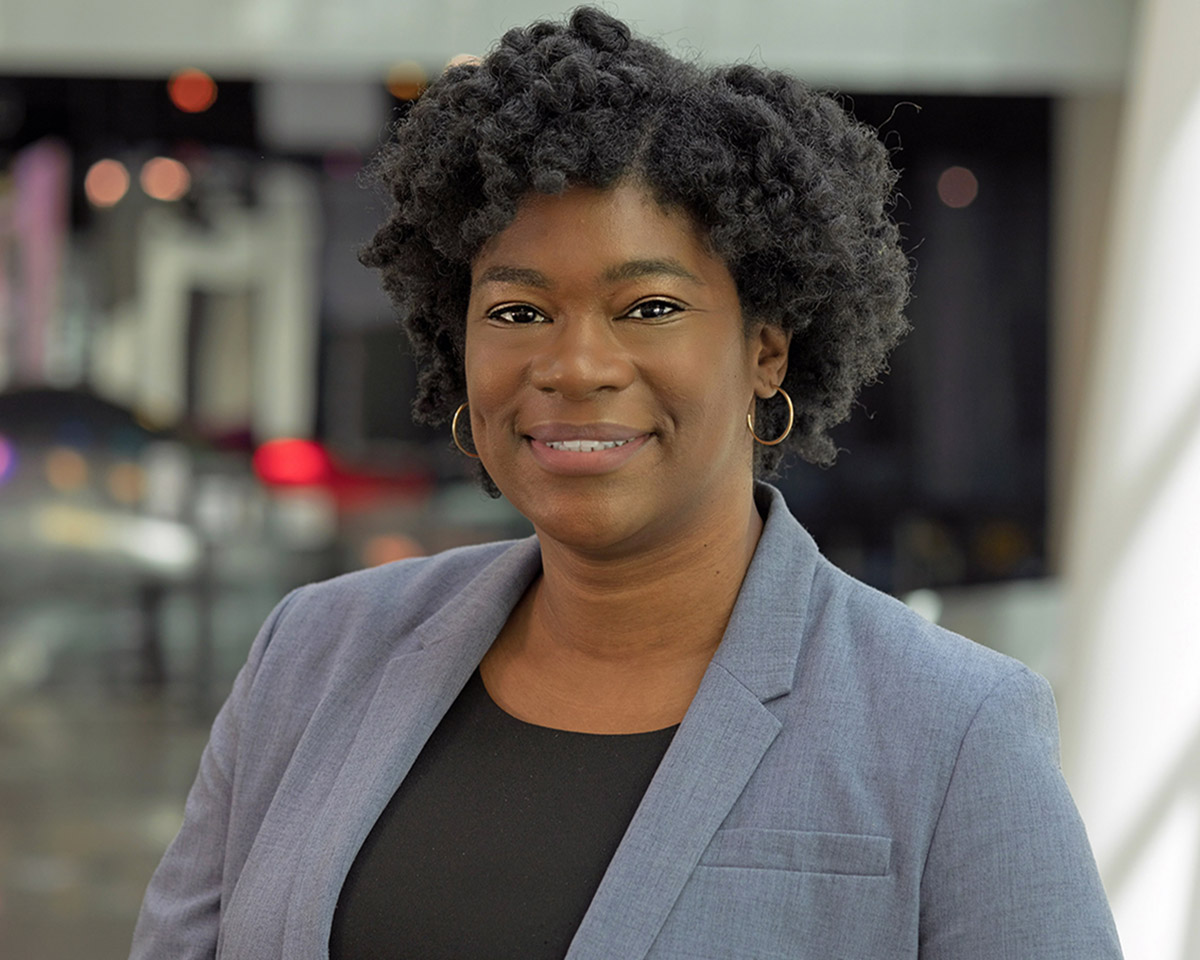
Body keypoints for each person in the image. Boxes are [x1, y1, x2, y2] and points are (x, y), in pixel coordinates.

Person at [130, 7, 1123, 959]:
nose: (576, 365)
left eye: (647, 306)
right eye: (519, 313)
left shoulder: (951, 728)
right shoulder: (311, 654)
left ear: (766, 349)